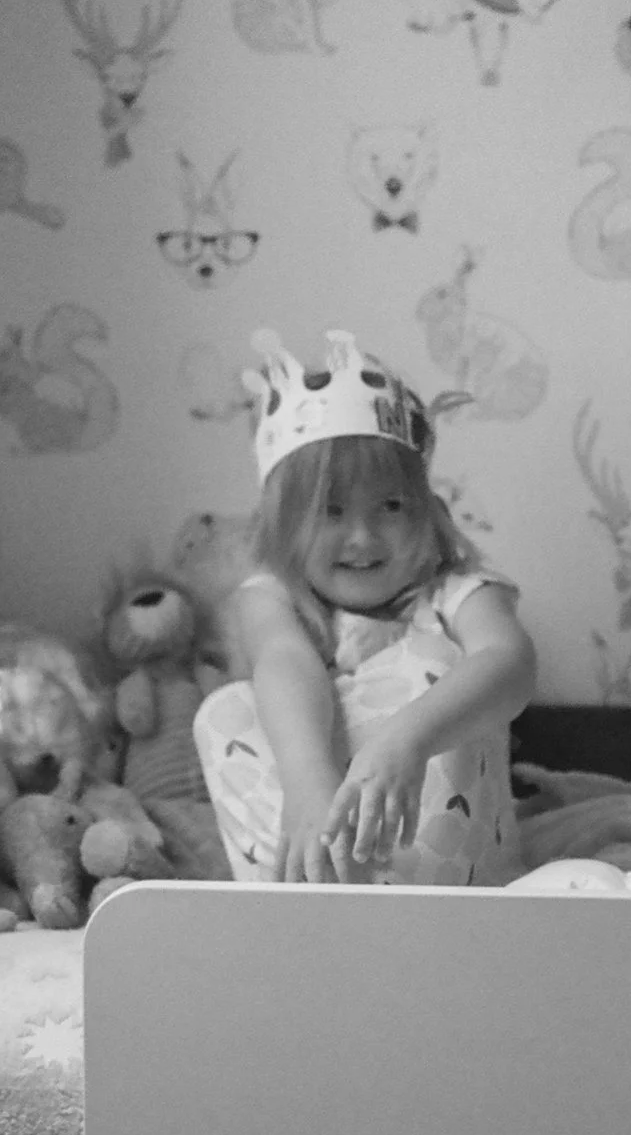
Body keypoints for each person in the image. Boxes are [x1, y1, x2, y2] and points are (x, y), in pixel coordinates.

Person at [194, 328, 537, 885]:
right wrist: (308, 783)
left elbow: (509, 661)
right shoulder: (273, 595)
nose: (362, 537)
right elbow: (284, 659)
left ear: (425, 509)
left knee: (434, 665)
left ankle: (424, 894)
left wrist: (408, 739)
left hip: (450, 874)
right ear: (283, 524)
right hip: (319, 840)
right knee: (225, 710)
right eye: (331, 511)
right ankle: (300, 887)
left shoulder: (456, 591)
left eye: (391, 506)